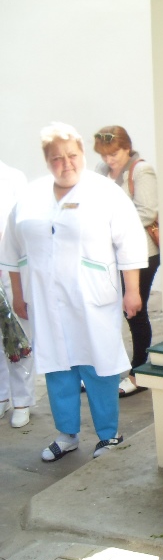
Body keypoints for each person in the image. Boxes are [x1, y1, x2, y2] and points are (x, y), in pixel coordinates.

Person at [0, 123, 147, 461]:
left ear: (82, 153)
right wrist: (19, 295)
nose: (65, 163)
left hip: (93, 298)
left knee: (99, 365)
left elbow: (130, 243)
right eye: (57, 158)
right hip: (45, 300)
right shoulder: (31, 197)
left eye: (72, 155)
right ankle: (67, 434)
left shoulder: (105, 193)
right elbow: (12, 250)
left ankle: (108, 435)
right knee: (58, 367)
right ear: (47, 160)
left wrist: (133, 291)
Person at [93, 126, 159, 397]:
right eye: (104, 154)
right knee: (110, 309)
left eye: (114, 153)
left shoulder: (141, 170)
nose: (109, 159)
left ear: (127, 148)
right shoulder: (100, 170)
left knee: (134, 310)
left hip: (142, 253)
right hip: (110, 253)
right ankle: (109, 369)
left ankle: (139, 372)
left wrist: (111, 227)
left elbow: (147, 212)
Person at [0, 159, 36, 429]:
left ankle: (22, 400)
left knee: (18, 335)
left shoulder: (13, 178)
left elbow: (21, 228)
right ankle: (1, 396)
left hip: (9, 268)